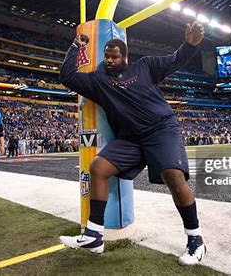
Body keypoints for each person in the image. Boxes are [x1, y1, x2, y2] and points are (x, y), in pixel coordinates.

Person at [59, 22, 206, 265]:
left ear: (126, 58)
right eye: (106, 56)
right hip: (130, 139)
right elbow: (67, 77)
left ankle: (196, 239)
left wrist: (190, 43)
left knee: (173, 175)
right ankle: (94, 235)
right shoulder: (98, 80)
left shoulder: (145, 66)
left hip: (161, 130)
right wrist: (76, 46)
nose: (108, 60)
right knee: (98, 168)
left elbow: (176, 59)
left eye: (114, 57)